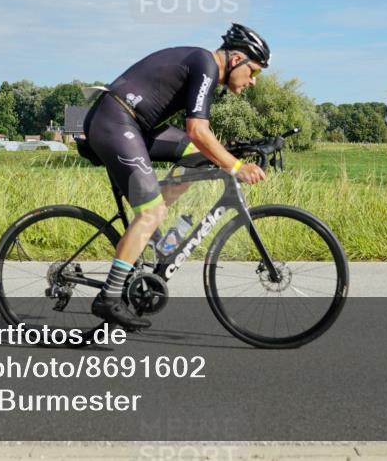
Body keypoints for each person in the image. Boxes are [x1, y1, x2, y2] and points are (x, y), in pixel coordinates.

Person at [82, 23, 271, 329]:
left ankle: (154, 232)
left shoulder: (205, 68)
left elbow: (197, 141)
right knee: (152, 211)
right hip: (115, 121)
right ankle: (110, 296)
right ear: (237, 59)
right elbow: (198, 130)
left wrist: (235, 150)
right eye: (255, 72)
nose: (253, 82)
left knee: (192, 157)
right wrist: (235, 166)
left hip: (134, 124)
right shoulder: (206, 64)